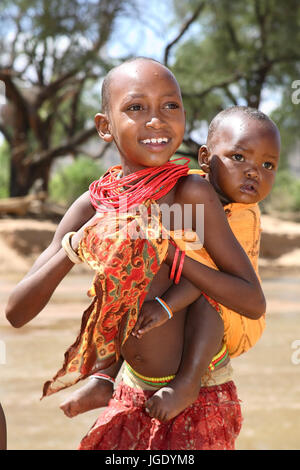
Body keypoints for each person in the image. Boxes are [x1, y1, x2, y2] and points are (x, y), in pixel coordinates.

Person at [5, 58, 265, 450]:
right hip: (131, 391)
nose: (157, 119)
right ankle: (103, 378)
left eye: (170, 106)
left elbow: (251, 299)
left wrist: (176, 260)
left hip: (198, 396)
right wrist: (77, 245)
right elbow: (16, 312)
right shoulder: (92, 206)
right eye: (136, 107)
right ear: (104, 126)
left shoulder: (191, 195)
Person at [60, 105, 280, 428]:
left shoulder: (244, 215)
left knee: (209, 303)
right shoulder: (187, 187)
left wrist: (165, 306)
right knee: (132, 271)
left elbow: (211, 276)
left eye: (268, 165)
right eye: (239, 158)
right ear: (205, 158)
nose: (253, 172)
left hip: (231, 309)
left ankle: (188, 382)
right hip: (189, 283)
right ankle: (104, 376)